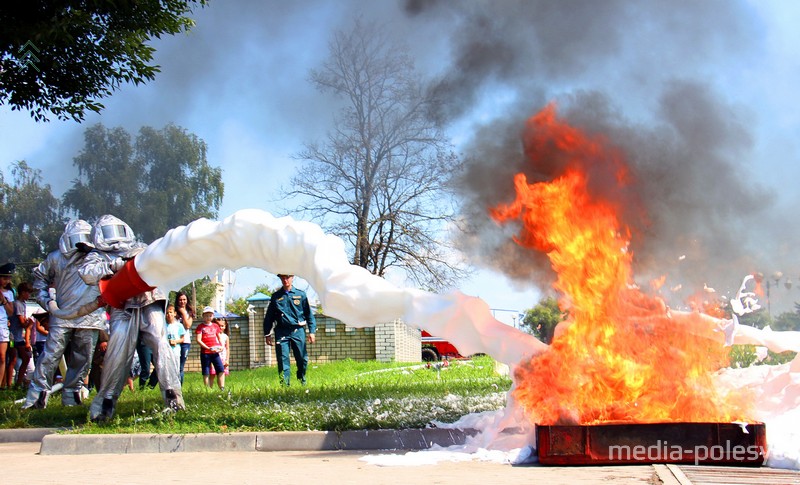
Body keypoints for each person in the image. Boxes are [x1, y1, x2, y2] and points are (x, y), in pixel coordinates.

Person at [79, 214, 184, 421]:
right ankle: (105, 403)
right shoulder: (97, 255)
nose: (115, 238)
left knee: (160, 342)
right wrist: (114, 265)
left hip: (149, 299)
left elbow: (158, 264)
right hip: (122, 304)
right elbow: (87, 273)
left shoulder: (140, 246)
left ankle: (174, 398)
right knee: (117, 350)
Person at [23, 220, 105, 409]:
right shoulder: (56, 258)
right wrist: (48, 302)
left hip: (90, 316)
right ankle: (36, 396)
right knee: (50, 356)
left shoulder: (97, 257)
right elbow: (40, 279)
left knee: (82, 358)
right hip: (62, 315)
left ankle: (71, 396)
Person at [263, 274, 316, 386]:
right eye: (282, 278)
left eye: (287, 277)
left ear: (292, 278)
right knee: (283, 360)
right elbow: (269, 317)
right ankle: (284, 385)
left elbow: (309, 315)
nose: (285, 280)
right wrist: (267, 334)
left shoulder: (300, 295)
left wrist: (312, 331)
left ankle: (301, 377)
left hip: (298, 330)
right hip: (282, 331)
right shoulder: (276, 297)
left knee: (302, 358)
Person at [7, 282, 34, 388]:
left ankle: (18, 382)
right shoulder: (17, 304)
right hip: (13, 337)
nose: (29, 296)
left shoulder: (23, 303)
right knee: (13, 359)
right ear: (23, 293)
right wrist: (29, 324)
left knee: (25, 358)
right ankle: (11, 384)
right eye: (28, 293)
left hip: (18, 337)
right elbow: (22, 322)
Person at [196, 306, 225, 390]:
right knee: (206, 371)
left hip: (215, 352)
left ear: (213, 316)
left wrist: (222, 346)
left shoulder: (215, 326)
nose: (208, 317)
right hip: (205, 353)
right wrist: (207, 348)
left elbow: (219, 337)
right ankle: (207, 389)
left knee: (221, 369)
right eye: (206, 315)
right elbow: (198, 339)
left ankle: (222, 387)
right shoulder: (200, 327)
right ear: (203, 316)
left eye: (210, 315)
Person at [0, 262, 16, 390]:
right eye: (4, 278)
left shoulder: (9, 293)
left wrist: (3, 300)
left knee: (2, 356)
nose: (6, 281)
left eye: (8, 278)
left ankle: (1, 386)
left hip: (2, 325)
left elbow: (11, 312)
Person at [174, 291, 194, 383]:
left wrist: (183, 314)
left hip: (185, 342)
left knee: (180, 366)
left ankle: (179, 387)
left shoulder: (190, 312)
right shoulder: (173, 311)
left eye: (184, 299)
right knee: (174, 365)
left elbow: (188, 326)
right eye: (180, 300)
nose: (182, 302)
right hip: (174, 342)